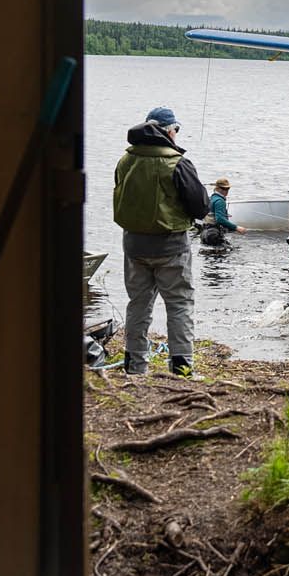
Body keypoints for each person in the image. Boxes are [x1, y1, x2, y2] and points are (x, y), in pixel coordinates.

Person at [112, 105, 208, 377]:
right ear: (168, 131)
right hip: (171, 247)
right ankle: (182, 368)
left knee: (138, 304)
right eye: (176, 129)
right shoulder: (177, 162)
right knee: (179, 304)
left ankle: (134, 366)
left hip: (133, 245)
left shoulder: (125, 160)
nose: (177, 134)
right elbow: (200, 207)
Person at [200, 177, 247, 247]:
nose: (226, 191)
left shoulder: (211, 198)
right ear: (217, 188)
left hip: (204, 233)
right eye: (224, 188)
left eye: (228, 189)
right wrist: (236, 227)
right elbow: (220, 219)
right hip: (213, 234)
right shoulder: (220, 201)